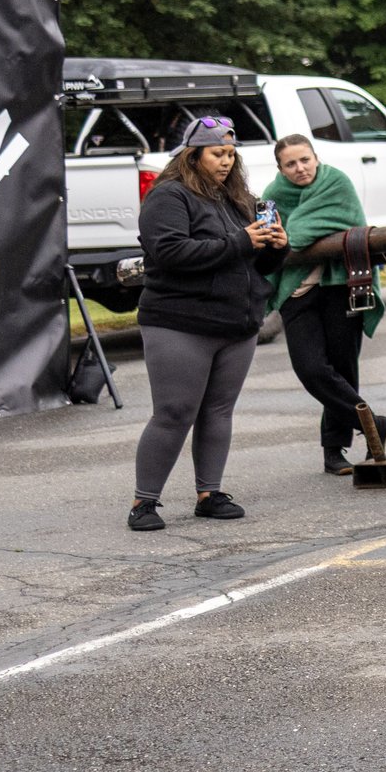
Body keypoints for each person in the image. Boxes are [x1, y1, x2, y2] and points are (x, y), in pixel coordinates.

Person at [128, 118, 285, 530]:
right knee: (175, 411)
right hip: (180, 321)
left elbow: (253, 261)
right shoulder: (168, 196)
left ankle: (209, 493)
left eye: (231, 155)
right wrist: (241, 241)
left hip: (237, 322)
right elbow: (169, 252)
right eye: (218, 154)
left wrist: (274, 248)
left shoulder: (240, 200)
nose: (226, 162)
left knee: (219, 411)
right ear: (192, 155)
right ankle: (144, 502)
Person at [264, 134, 383, 473]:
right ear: (280, 168)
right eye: (291, 164)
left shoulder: (336, 183)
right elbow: (273, 239)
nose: (300, 168)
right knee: (311, 368)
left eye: (305, 160)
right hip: (297, 290)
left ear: (315, 158)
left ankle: (334, 451)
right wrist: (288, 238)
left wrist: (293, 235)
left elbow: (301, 231)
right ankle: (374, 423)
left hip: (340, 284)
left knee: (343, 367)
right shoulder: (273, 196)